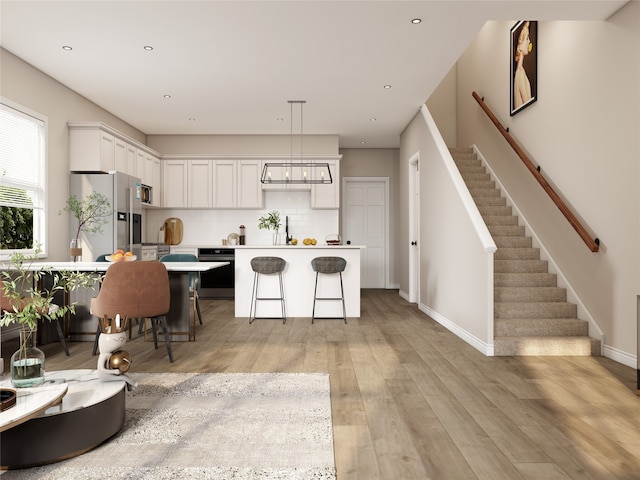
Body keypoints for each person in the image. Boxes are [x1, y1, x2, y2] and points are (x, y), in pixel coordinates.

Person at [513, 21, 533, 109]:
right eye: (527, 38)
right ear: (520, 46)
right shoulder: (520, 72)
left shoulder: (519, 72)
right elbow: (528, 105)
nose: (529, 41)